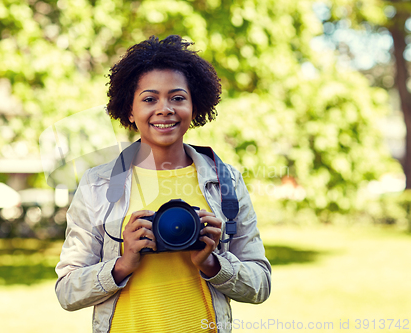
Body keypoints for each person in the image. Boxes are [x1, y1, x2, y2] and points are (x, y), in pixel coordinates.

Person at [55, 35, 271, 333]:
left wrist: (212, 264)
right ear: (130, 110)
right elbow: (67, 291)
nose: (165, 108)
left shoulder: (225, 182)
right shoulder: (99, 184)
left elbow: (260, 284)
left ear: (194, 107)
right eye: (149, 99)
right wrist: (123, 263)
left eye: (178, 97)